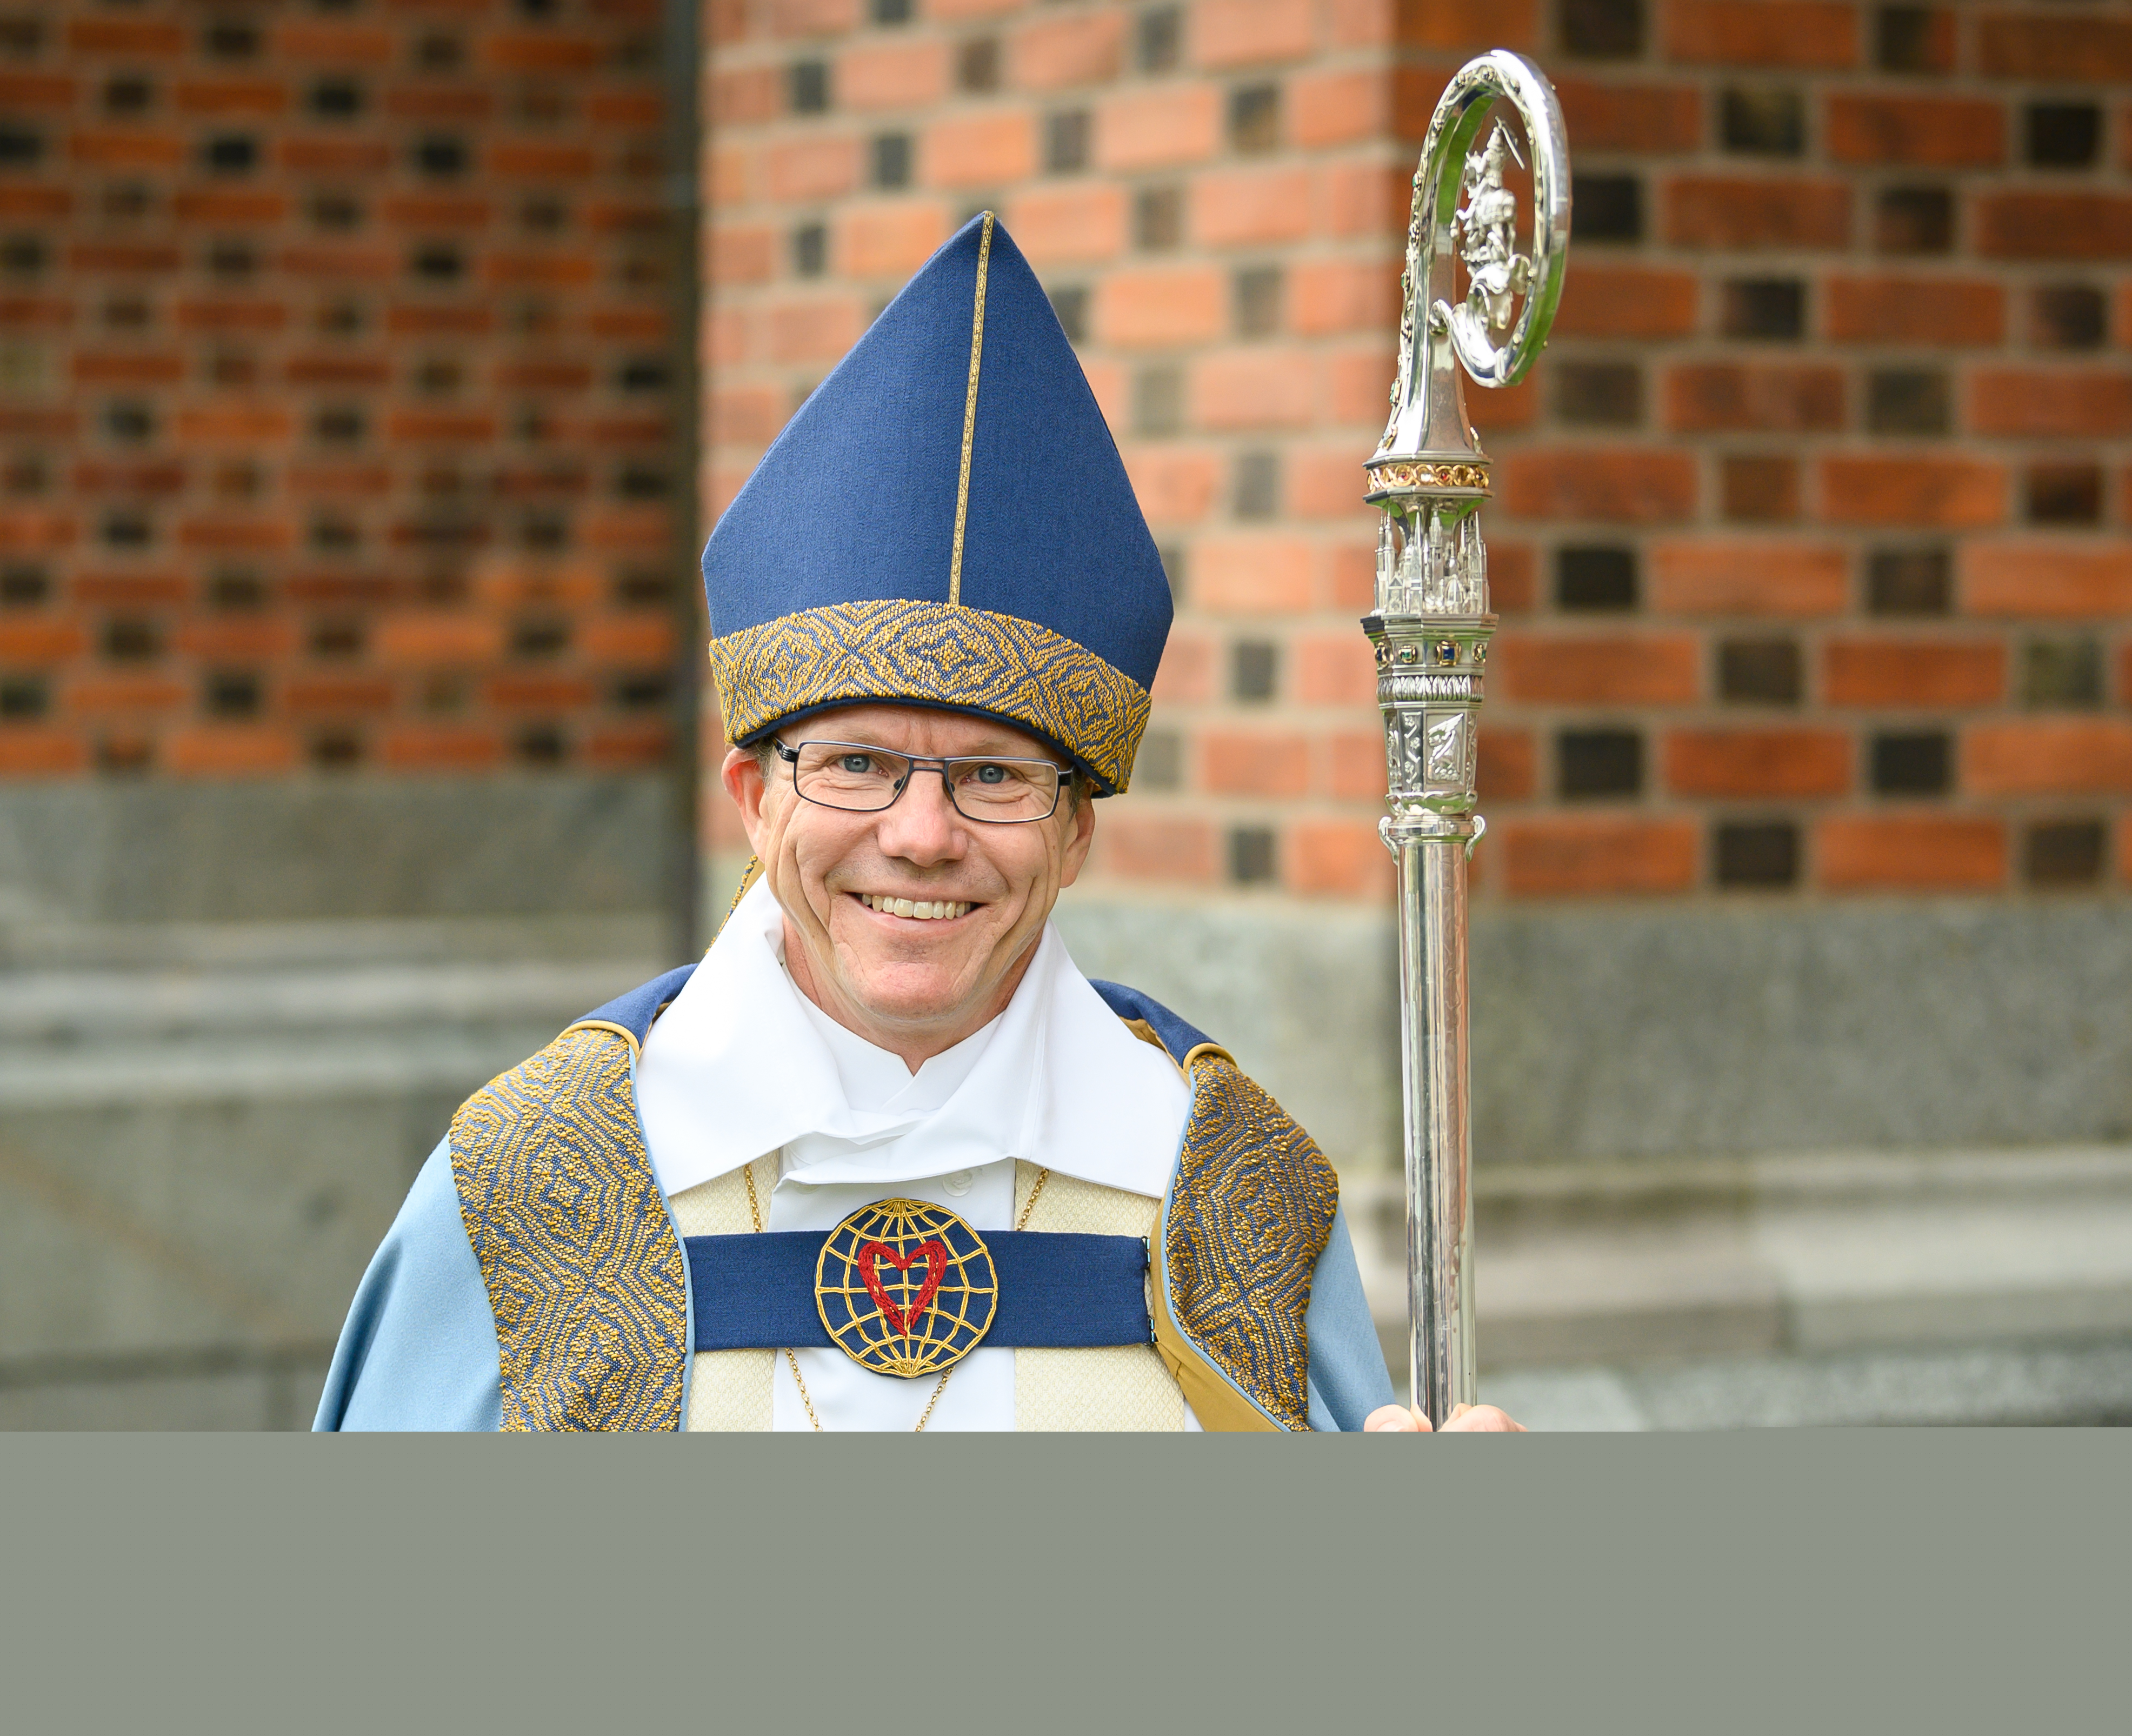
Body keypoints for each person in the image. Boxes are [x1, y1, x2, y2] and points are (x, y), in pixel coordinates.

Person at [315, 215, 1521, 1433]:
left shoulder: (1226, 1190)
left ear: (1077, 833)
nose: (924, 835)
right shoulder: (537, 1183)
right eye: (856, 764)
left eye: (993, 776)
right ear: (755, 800)